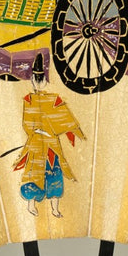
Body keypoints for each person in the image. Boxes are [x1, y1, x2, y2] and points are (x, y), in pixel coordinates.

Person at [13, 56, 85, 218]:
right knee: (34, 174)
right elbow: (27, 124)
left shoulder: (53, 99)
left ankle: (54, 208)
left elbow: (65, 119)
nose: (39, 82)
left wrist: (72, 132)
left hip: (51, 145)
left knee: (54, 174)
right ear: (33, 80)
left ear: (44, 81)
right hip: (36, 144)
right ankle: (31, 204)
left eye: (40, 79)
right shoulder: (29, 100)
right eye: (37, 79)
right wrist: (40, 131)